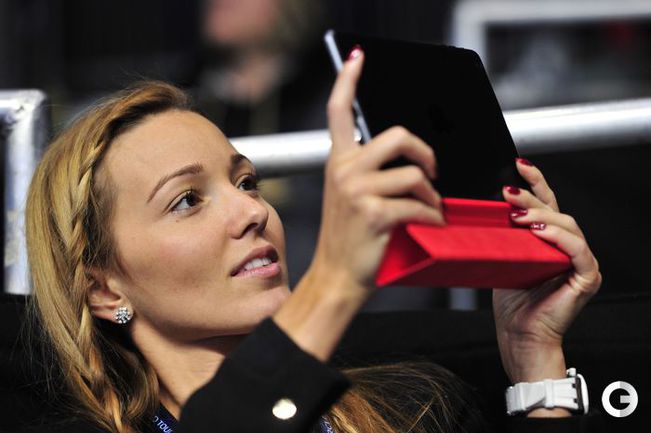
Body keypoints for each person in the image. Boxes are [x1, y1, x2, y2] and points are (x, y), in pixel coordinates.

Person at [23, 46, 602, 433]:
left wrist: (536, 366)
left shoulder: (413, 409)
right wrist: (336, 278)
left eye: (246, 182)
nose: (252, 211)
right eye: (186, 200)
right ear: (104, 289)